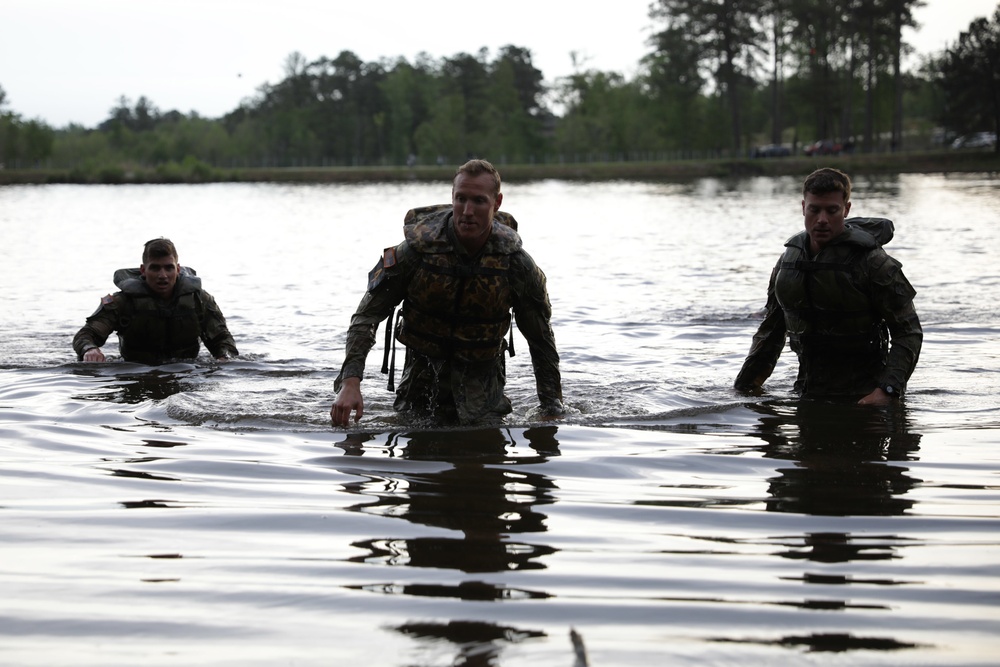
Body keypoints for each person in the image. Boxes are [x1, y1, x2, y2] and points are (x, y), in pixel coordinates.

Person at [330, 158, 564, 426]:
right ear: (452, 197)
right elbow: (365, 318)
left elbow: (541, 339)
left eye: (478, 201)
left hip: (484, 400)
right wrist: (350, 384)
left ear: (497, 203)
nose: (467, 211)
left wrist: (551, 407)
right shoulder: (415, 253)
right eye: (460, 199)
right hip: (418, 395)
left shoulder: (516, 264)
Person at [734, 167, 922, 405]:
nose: (822, 219)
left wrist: (888, 390)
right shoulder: (788, 262)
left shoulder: (873, 263)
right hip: (807, 392)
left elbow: (908, 331)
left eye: (832, 210)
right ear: (803, 207)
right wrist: (743, 388)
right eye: (814, 210)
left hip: (865, 397)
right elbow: (771, 331)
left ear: (846, 209)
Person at [73, 238, 238, 365]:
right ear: (143, 270)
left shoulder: (199, 300)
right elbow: (86, 335)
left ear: (178, 269)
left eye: (169, 268)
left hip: (187, 373)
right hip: (137, 371)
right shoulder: (122, 302)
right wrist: (90, 349)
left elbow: (222, 338)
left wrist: (224, 357)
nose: (163, 275)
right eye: (155, 268)